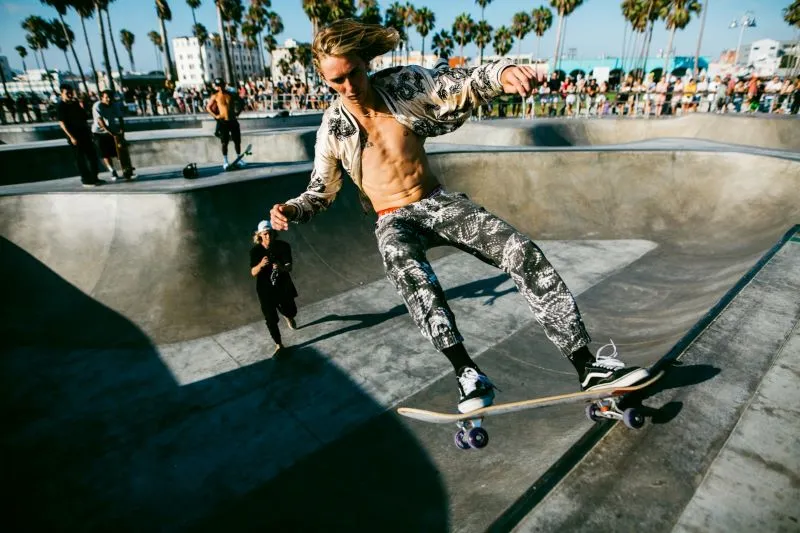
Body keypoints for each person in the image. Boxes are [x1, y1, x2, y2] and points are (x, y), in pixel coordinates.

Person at [268, 19, 649, 414]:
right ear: (324, 79)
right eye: (336, 82)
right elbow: (320, 190)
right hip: (392, 218)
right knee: (410, 272)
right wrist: (291, 210)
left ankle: (587, 365)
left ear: (365, 62)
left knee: (521, 252)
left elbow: (460, 82)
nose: (349, 88)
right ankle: (467, 372)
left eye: (353, 74)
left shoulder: (402, 85)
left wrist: (503, 73)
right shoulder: (331, 130)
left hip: (437, 202)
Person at [250, 220, 298, 356]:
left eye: (270, 233)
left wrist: (281, 267)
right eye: (265, 234)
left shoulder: (283, 246)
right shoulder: (255, 251)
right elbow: (253, 272)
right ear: (259, 235)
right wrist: (260, 265)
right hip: (265, 291)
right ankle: (279, 345)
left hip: (282, 286)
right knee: (270, 320)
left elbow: (290, 267)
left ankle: (288, 316)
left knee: (291, 311)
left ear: (274, 233)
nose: (268, 237)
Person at [56, 84, 104, 187]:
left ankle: (94, 177)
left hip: (84, 133)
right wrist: (71, 137)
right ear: (62, 94)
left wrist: (89, 132)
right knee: (80, 158)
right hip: (74, 135)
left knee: (92, 156)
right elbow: (62, 124)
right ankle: (86, 179)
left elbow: (84, 118)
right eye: (67, 93)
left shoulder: (75, 103)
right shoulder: (61, 106)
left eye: (70, 92)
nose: (69, 95)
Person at [206, 77, 246, 170]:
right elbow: (208, 107)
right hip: (223, 121)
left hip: (232, 120)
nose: (220, 88)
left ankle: (238, 158)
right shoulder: (215, 96)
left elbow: (241, 101)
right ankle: (225, 161)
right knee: (224, 142)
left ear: (224, 85)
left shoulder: (231, 94)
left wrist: (238, 112)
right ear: (216, 87)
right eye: (218, 86)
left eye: (221, 85)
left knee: (237, 141)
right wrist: (215, 116)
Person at [91, 89, 126, 180]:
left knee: (118, 151)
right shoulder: (97, 106)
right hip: (99, 132)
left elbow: (120, 118)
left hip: (112, 130)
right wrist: (112, 133)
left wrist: (122, 131)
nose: (108, 100)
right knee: (105, 154)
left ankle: (126, 169)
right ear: (102, 98)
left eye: (110, 97)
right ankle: (112, 172)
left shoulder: (115, 105)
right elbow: (100, 122)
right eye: (106, 98)